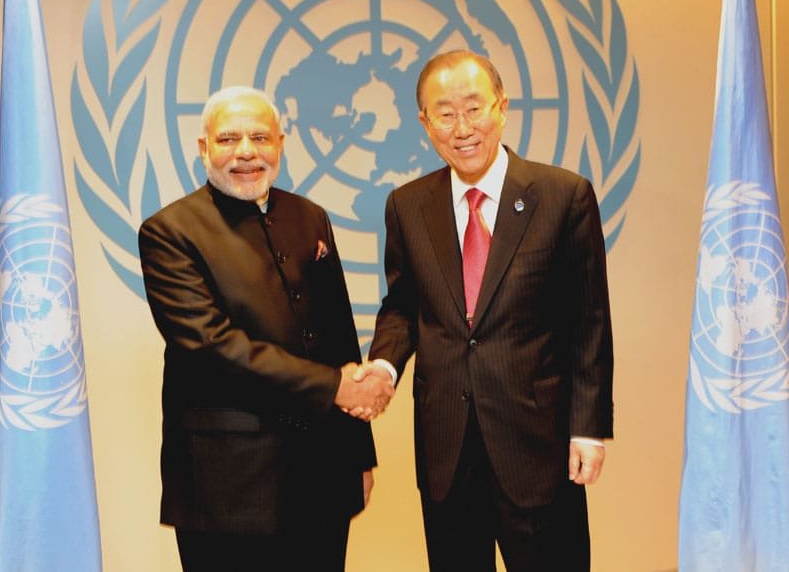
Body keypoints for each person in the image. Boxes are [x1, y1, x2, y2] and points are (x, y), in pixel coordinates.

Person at [363, 50, 614, 571]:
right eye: (445, 113)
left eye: (474, 108)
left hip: (538, 449)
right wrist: (384, 366)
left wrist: (588, 428)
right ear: (425, 123)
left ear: (502, 106)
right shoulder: (407, 206)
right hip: (447, 451)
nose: (462, 128)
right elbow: (404, 305)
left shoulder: (563, 196)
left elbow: (588, 323)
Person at [138, 86, 394, 572]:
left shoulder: (309, 216)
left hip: (322, 477)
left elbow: (340, 338)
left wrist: (359, 455)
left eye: (260, 137)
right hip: (228, 487)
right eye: (228, 138)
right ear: (203, 148)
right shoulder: (170, 231)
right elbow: (212, 347)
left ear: (280, 142)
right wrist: (334, 386)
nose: (246, 152)